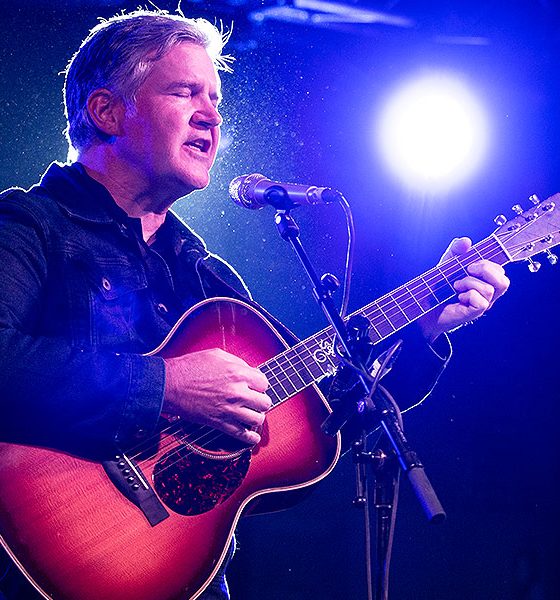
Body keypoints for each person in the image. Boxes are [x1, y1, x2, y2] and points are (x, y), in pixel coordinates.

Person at [0, 9, 509, 600]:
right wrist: (162, 386)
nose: (212, 116)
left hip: (189, 574)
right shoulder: (30, 227)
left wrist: (421, 332)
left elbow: (319, 416)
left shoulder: (207, 279)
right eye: (184, 91)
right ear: (107, 111)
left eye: (215, 97)